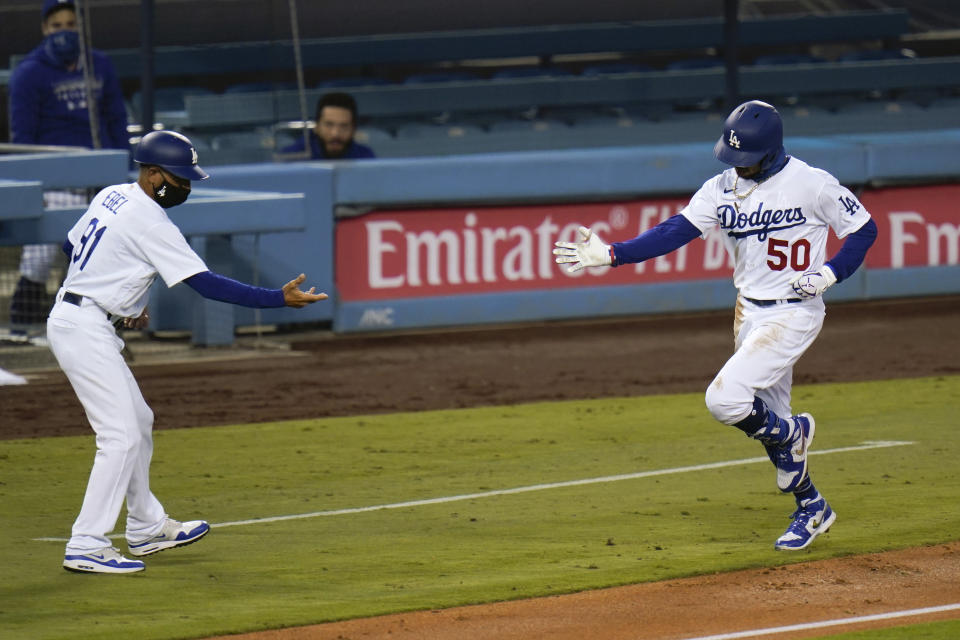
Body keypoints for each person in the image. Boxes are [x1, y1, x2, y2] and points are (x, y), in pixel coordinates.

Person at [554, 100, 878, 551]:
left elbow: (863, 229)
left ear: (769, 152)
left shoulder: (811, 183)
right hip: (748, 311)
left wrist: (831, 272)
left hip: (794, 312)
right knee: (772, 423)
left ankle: (794, 434)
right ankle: (812, 507)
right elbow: (675, 230)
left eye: (744, 159)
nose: (736, 167)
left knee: (725, 400)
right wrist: (613, 254)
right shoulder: (721, 188)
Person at [50, 130, 328, 574]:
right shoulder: (150, 219)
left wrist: (120, 297)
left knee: (138, 422)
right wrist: (277, 299)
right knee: (119, 435)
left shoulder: (113, 195)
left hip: (82, 317)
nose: (185, 186)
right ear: (154, 173)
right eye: (179, 178)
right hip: (82, 326)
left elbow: (71, 246)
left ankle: (145, 526)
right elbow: (206, 283)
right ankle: (86, 542)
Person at [7, 0, 130, 342]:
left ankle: (88, 325)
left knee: (101, 256)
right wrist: (32, 183)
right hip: (57, 178)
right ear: (45, 29)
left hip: (102, 176)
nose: (64, 31)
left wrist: (125, 165)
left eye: (70, 24)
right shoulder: (30, 73)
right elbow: (23, 138)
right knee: (42, 254)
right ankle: (23, 321)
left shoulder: (99, 64)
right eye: (56, 25)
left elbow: (116, 119)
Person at [279, 91, 376, 160]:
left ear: (353, 129)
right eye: (329, 125)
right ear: (316, 127)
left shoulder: (365, 158)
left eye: (344, 126)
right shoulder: (292, 157)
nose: (335, 134)